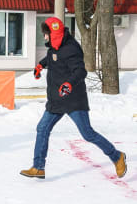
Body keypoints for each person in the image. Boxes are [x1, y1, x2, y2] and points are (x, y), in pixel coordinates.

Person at [20, 17, 127, 179]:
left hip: (73, 100)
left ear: (54, 33)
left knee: (88, 134)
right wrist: (41, 65)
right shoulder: (55, 47)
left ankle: (116, 156)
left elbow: (80, 71)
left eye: (46, 34)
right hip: (56, 100)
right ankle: (38, 167)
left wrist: (69, 84)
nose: (44, 37)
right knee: (42, 128)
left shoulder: (71, 48)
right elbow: (52, 58)